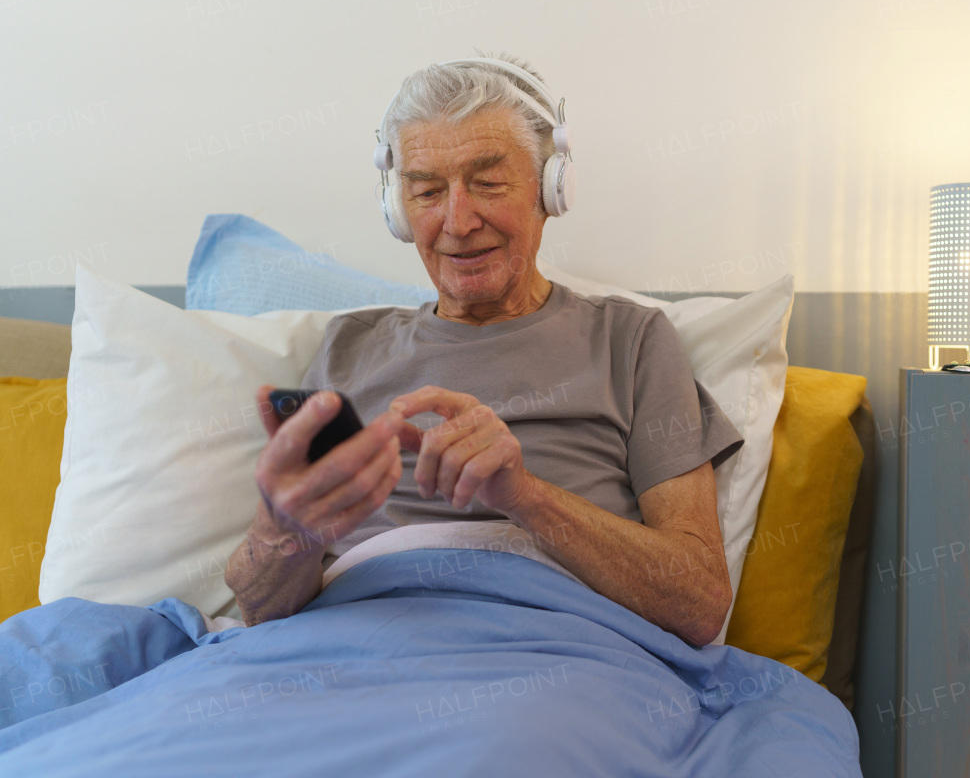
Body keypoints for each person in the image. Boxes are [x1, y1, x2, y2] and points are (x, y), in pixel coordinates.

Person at [225, 55, 743, 646]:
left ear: (551, 189)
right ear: (398, 210)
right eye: (425, 191)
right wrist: (286, 530)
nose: (458, 220)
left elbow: (699, 604)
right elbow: (262, 616)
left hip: (545, 654)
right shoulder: (349, 346)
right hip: (351, 647)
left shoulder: (630, 341)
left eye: (489, 184)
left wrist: (524, 496)